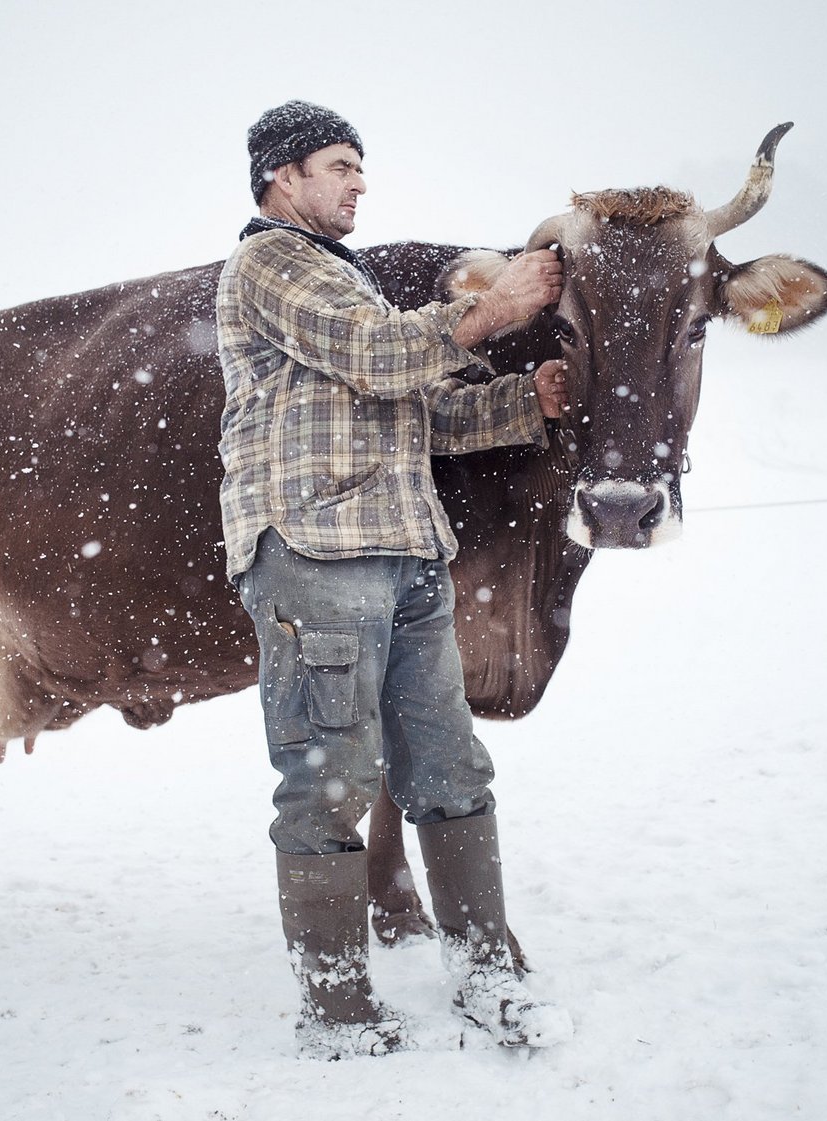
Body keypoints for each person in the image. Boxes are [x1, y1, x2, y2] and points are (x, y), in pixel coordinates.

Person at [216, 100, 573, 1059]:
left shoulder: (351, 284)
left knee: (451, 770)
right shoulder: (269, 265)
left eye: (361, 166)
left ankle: (491, 979)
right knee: (328, 786)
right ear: (282, 176)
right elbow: (380, 358)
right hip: (317, 556)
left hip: (412, 556)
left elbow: (419, 419)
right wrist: (500, 306)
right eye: (340, 164)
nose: (360, 182)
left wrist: (522, 402)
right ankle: (335, 1011)